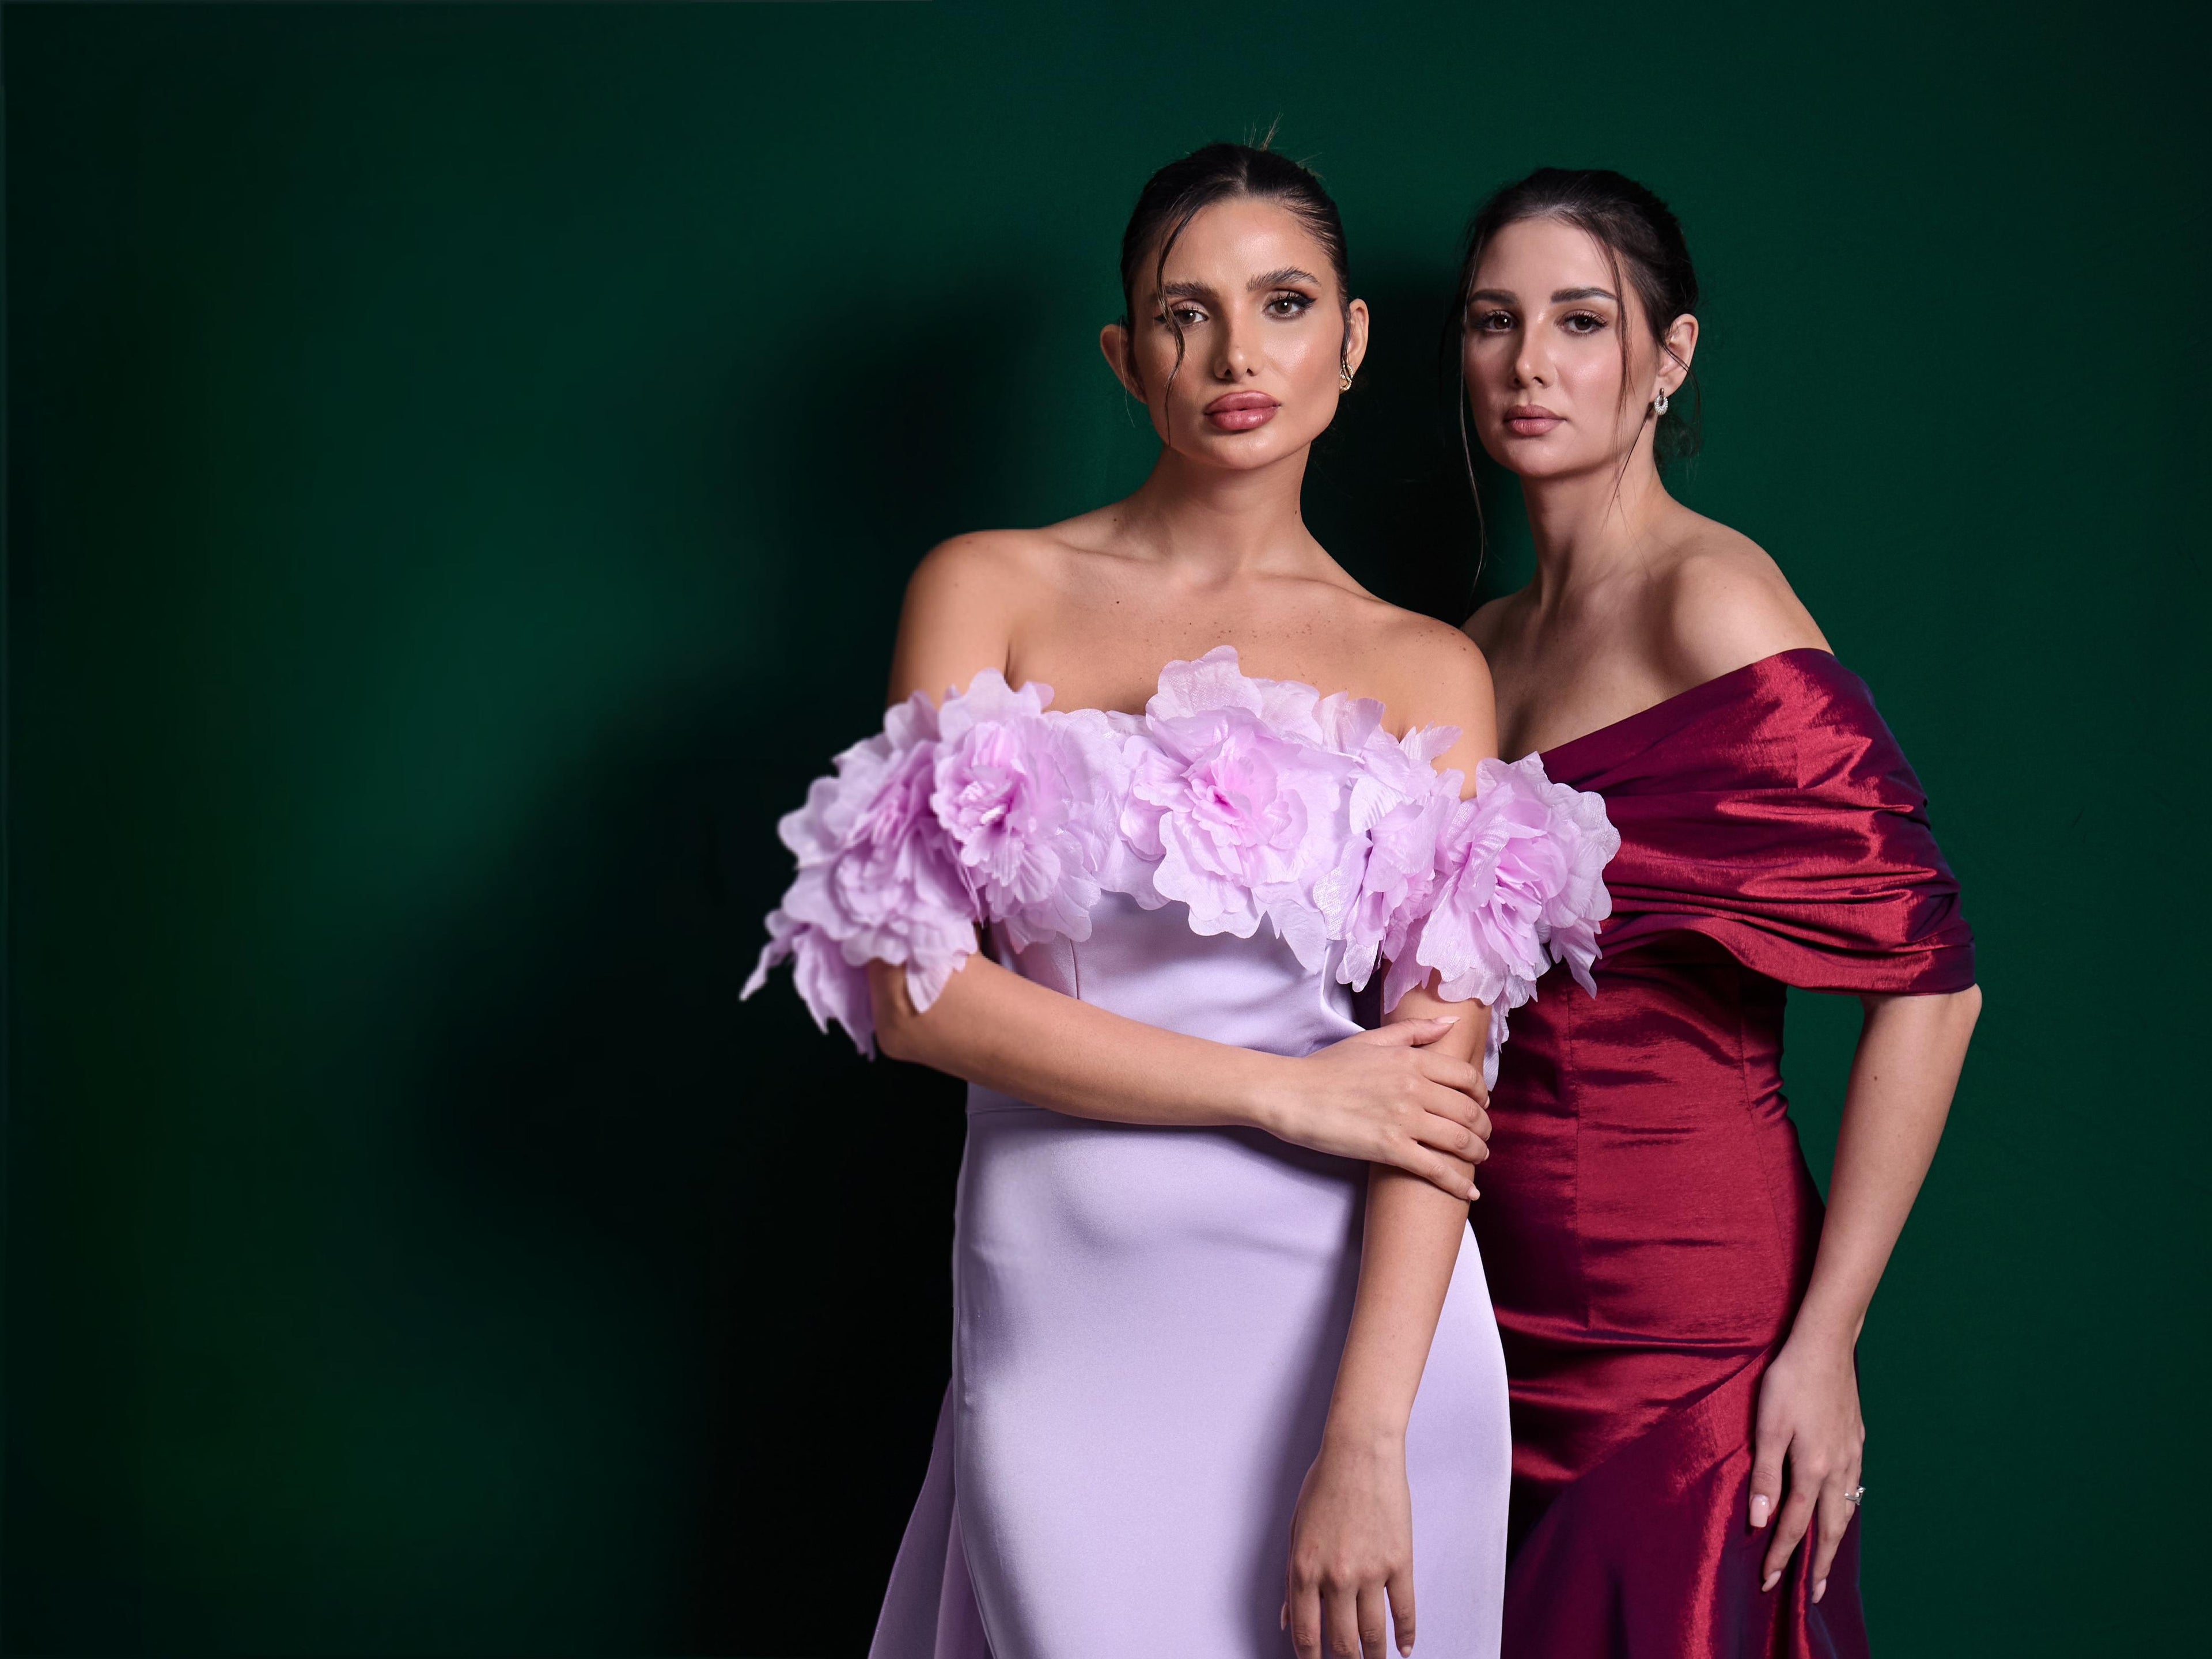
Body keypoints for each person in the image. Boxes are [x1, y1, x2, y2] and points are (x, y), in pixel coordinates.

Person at [745, 143, 1615, 1659]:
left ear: (1350, 341)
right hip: (1068, 1296)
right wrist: (1283, 1096)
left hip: (1354, 1335)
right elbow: (913, 992)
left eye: (1283, 304)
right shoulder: (989, 589)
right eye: (1184, 313)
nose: (1234, 357)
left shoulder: (1428, 669)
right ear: (1125, 356)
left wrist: (1369, 1446)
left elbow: (1436, 1091)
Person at [1456, 168, 1982, 1656]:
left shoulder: (1714, 600)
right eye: (1494, 322)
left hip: (1688, 1313)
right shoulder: (1476, 649)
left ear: (1669, 355)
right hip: (1490, 1314)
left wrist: (1826, 1340)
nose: (1530, 363)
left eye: (1580, 321)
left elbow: (1935, 985)